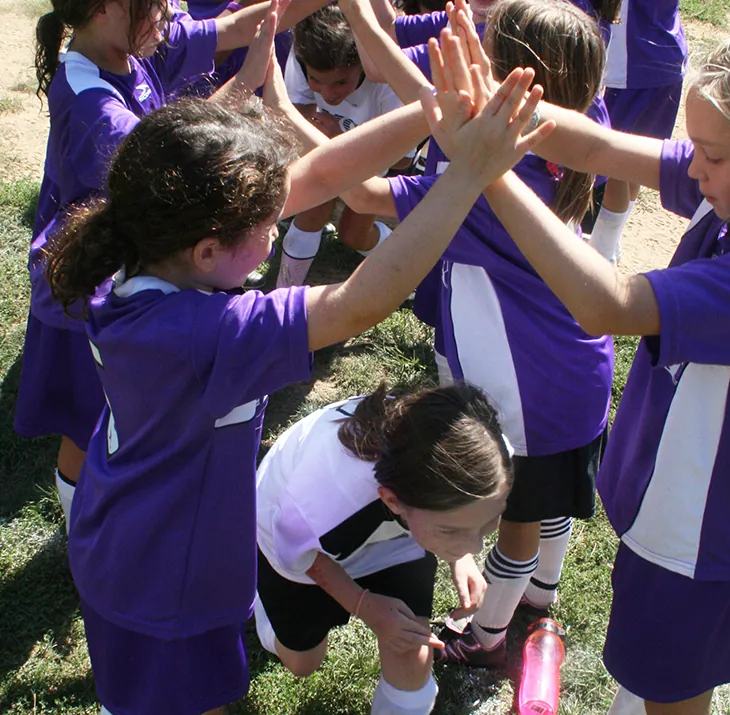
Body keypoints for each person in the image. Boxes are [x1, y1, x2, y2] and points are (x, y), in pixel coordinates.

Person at [44, 16, 552, 712]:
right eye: (266, 222)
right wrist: (464, 175)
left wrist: (433, 113)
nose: (283, 215)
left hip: (132, 540)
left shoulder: (137, 246)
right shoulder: (205, 334)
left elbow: (313, 174)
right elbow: (356, 302)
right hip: (167, 577)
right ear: (208, 248)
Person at [440, 16, 730, 715]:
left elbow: (606, 302)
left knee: (670, 695)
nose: (690, 166)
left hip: (699, 534)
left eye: (707, 153)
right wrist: (499, 105)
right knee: (649, 680)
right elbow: (599, 144)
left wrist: (488, 175)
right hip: (677, 513)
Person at [341, 0, 614, 667]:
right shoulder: (579, 132)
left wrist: (305, 134)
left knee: (516, 520)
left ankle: (485, 634)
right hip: (570, 370)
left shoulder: (486, 188)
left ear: (508, 84)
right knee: (547, 506)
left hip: (529, 391)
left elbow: (363, 195)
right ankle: (537, 597)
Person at [16, 0, 287, 533]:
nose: (170, 12)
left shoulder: (129, 52)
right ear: (105, 10)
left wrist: (258, 59)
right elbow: (171, 171)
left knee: (117, 415)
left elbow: (227, 32)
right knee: (84, 424)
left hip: (124, 278)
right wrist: (248, 82)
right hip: (85, 290)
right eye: (156, 4)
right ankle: (79, 535)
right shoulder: (90, 99)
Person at [254, 383, 512, 715]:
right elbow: (298, 552)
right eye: (452, 531)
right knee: (302, 663)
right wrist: (365, 605)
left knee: (412, 650)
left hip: (398, 534)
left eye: (486, 524)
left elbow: (465, 509)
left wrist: (461, 557)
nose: (476, 544)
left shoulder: (491, 458)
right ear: (392, 501)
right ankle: (255, 597)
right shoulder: (327, 503)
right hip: (294, 541)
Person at [275, 3, 411, 288]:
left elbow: (402, 160)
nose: (327, 94)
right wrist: (324, 144)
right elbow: (292, 114)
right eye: (316, 80)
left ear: (364, 64)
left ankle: (414, 269)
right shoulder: (302, 55)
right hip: (331, 148)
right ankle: (284, 291)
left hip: (380, 160)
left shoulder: (387, 78)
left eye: (340, 83)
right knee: (313, 203)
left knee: (353, 235)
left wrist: (341, 142)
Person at [587, 0, 687, 262]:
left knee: (616, 161)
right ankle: (610, 242)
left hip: (630, 67)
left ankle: (602, 251)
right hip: (665, 56)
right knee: (633, 163)